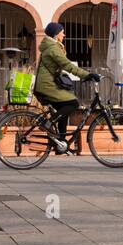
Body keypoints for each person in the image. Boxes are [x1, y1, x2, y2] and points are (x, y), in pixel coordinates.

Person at [35, 21, 97, 153]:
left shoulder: (52, 47)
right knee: (73, 103)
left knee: (64, 110)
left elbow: (59, 68)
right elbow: (67, 65)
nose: (64, 34)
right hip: (47, 87)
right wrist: (87, 75)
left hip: (47, 85)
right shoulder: (53, 49)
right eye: (62, 32)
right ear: (56, 34)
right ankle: (48, 123)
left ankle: (60, 144)